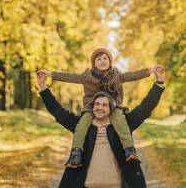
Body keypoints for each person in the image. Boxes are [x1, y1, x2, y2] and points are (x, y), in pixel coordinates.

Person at [37, 65, 165, 188]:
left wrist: (158, 83)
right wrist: (43, 86)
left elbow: (145, 107)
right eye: (96, 104)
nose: (99, 107)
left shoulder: (123, 124)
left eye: (104, 105)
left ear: (111, 108)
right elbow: (58, 111)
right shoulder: (82, 125)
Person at [39, 48, 160, 168]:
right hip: (91, 107)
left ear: (110, 62)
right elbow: (69, 76)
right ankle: (76, 153)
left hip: (114, 105)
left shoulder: (117, 76)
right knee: (81, 126)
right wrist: (50, 75)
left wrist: (151, 71)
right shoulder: (87, 77)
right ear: (94, 64)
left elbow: (133, 75)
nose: (102, 61)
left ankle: (129, 149)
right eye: (99, 59)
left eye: (105, 58)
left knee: (120, 121)